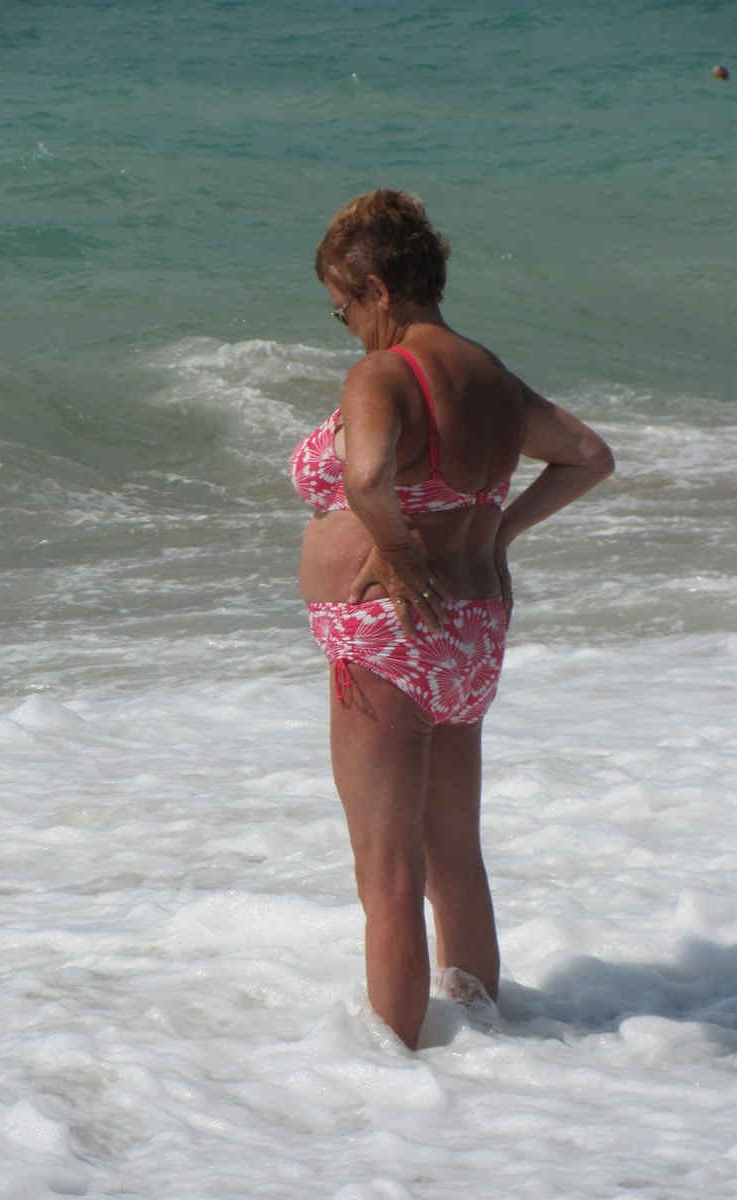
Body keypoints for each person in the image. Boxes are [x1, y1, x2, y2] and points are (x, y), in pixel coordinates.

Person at [291, 190, 614, 1049]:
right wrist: (499, 530)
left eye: (343, 307)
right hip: (470, 631)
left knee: (388, 877)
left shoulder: (383, 374)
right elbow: (588, 456)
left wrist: (396, 550)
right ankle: (484, 1051)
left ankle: (395, 1081)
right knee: (454, 860)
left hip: (391, 638)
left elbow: (366, 478)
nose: (346, 326)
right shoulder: (489, 376)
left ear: (378, 290)